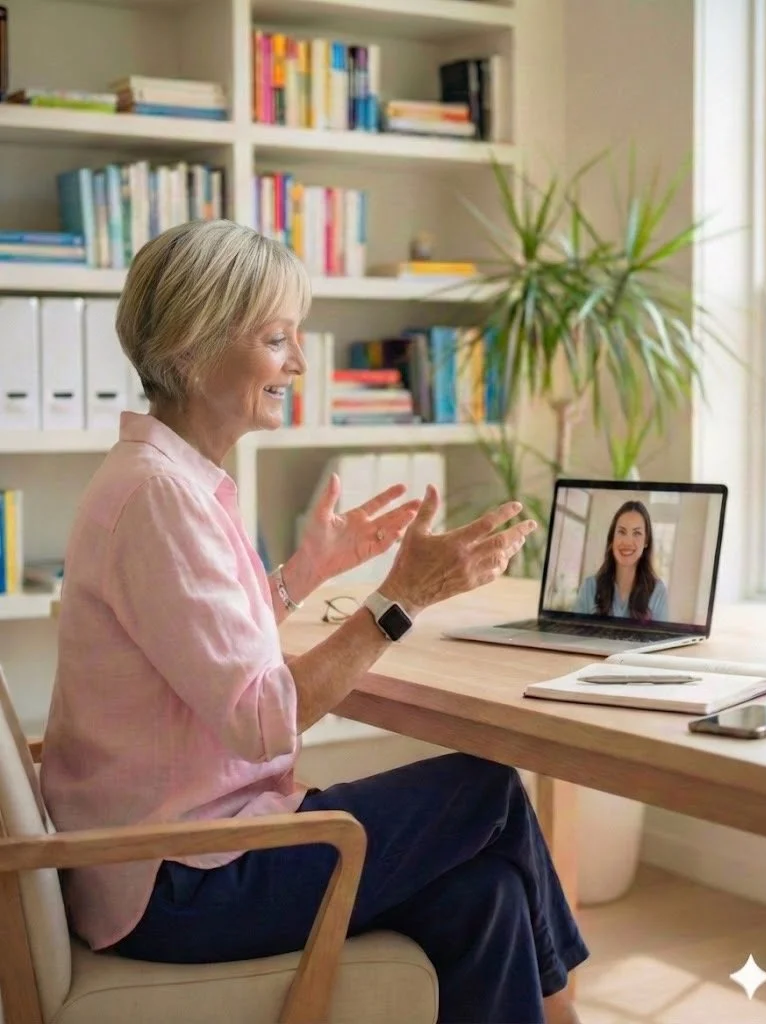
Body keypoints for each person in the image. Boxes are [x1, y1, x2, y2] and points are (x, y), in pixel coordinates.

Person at [40, 220, 588, 1024]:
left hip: (195, 850)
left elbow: (198, 661)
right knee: (489, 791)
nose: (297, 363)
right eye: (275, 338)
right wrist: (401, 598)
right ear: (193, 346)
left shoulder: (170, 483)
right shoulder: (159, 497)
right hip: (178, 879)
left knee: (487, 896)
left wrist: (302, 576)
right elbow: (265, 718)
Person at [572, 500, 669, 622]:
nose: (627, 542)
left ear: (646, 541)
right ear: (612, 538)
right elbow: (574, 638)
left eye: (637, 533)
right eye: (622, 532)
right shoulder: (589, 588)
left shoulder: (658, 593)